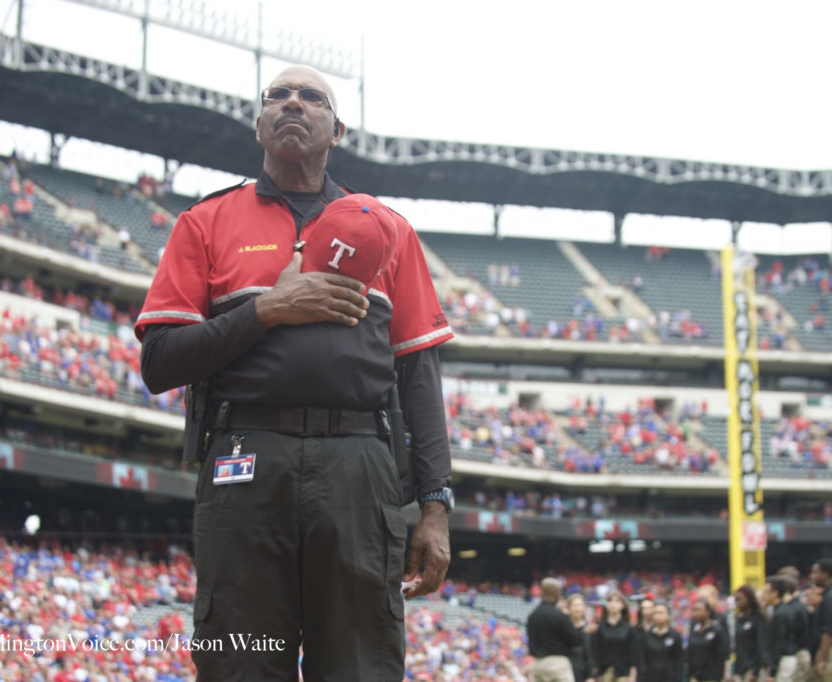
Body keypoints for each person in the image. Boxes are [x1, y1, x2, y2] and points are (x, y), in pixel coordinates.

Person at [136, 65, 454, 681]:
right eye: (277, 96)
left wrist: (435, 505)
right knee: (242, 667)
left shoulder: (391, 231)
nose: (292, 103)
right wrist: (267, 310)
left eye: (311, 97)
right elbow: (159, 364)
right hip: (243, 456)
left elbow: (418, 373)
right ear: (259, 124)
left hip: (361, 465)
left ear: (337, 129)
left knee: (361, 666)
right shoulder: (205, 222)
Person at [527, 578, 584, 682]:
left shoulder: (532, 616)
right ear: (556, 594)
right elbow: (575, 641)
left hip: (538, 664)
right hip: (557, 663)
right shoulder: (559, 616)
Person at [765, 575, 808, 682]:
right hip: (788, 658)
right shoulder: (783, 610)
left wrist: (773, 672)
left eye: (766, 592)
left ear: (775, 593)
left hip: (784, 660)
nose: (764, 595)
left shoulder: (780, 613)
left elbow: (779, 643)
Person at [592, 591, 637, 682]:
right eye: (610, 601)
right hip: (604, 671)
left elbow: (633, 652)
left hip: (623, 671)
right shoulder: (600, 627)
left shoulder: (628, 627)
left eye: (617, 601)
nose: (613, 604)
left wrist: (633, 674)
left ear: (623, 605)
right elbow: (595, 650)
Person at [733, 585, 770, 682]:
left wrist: (756, 672)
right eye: (735, 600)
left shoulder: (758, 617)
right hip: (741, 668)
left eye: (739, 599)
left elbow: (761, 645)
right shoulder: (739, 619)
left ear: (749, 599)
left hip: (754, 668)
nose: (737, 603)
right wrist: (735, 671)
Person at [687, 600, 729, 682]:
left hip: (712, 677)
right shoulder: (694, 631)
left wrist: (725, 674)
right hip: (695, 677)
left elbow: (724, 653)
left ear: (708, 612)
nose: (695, 613)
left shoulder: (717, 630)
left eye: (698, 610)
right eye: (694, 610)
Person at [641, 602, 683, 682]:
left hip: (670, 678)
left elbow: (679, 660)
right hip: (651, 677)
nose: (658, 616)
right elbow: (643, 659)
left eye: (661, 613)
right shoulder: (646, 636)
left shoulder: (675, 636)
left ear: (668, 615)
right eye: (656, 613)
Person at [567, 593, 597, 682]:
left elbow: (592, 654)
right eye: (574, 605)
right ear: (569, 608)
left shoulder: (591, 629)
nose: (577, 608)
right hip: (567, 674)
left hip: (586, 675)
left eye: (580, 605)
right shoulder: (564, 630)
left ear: (584, 608)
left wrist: (591, 676)